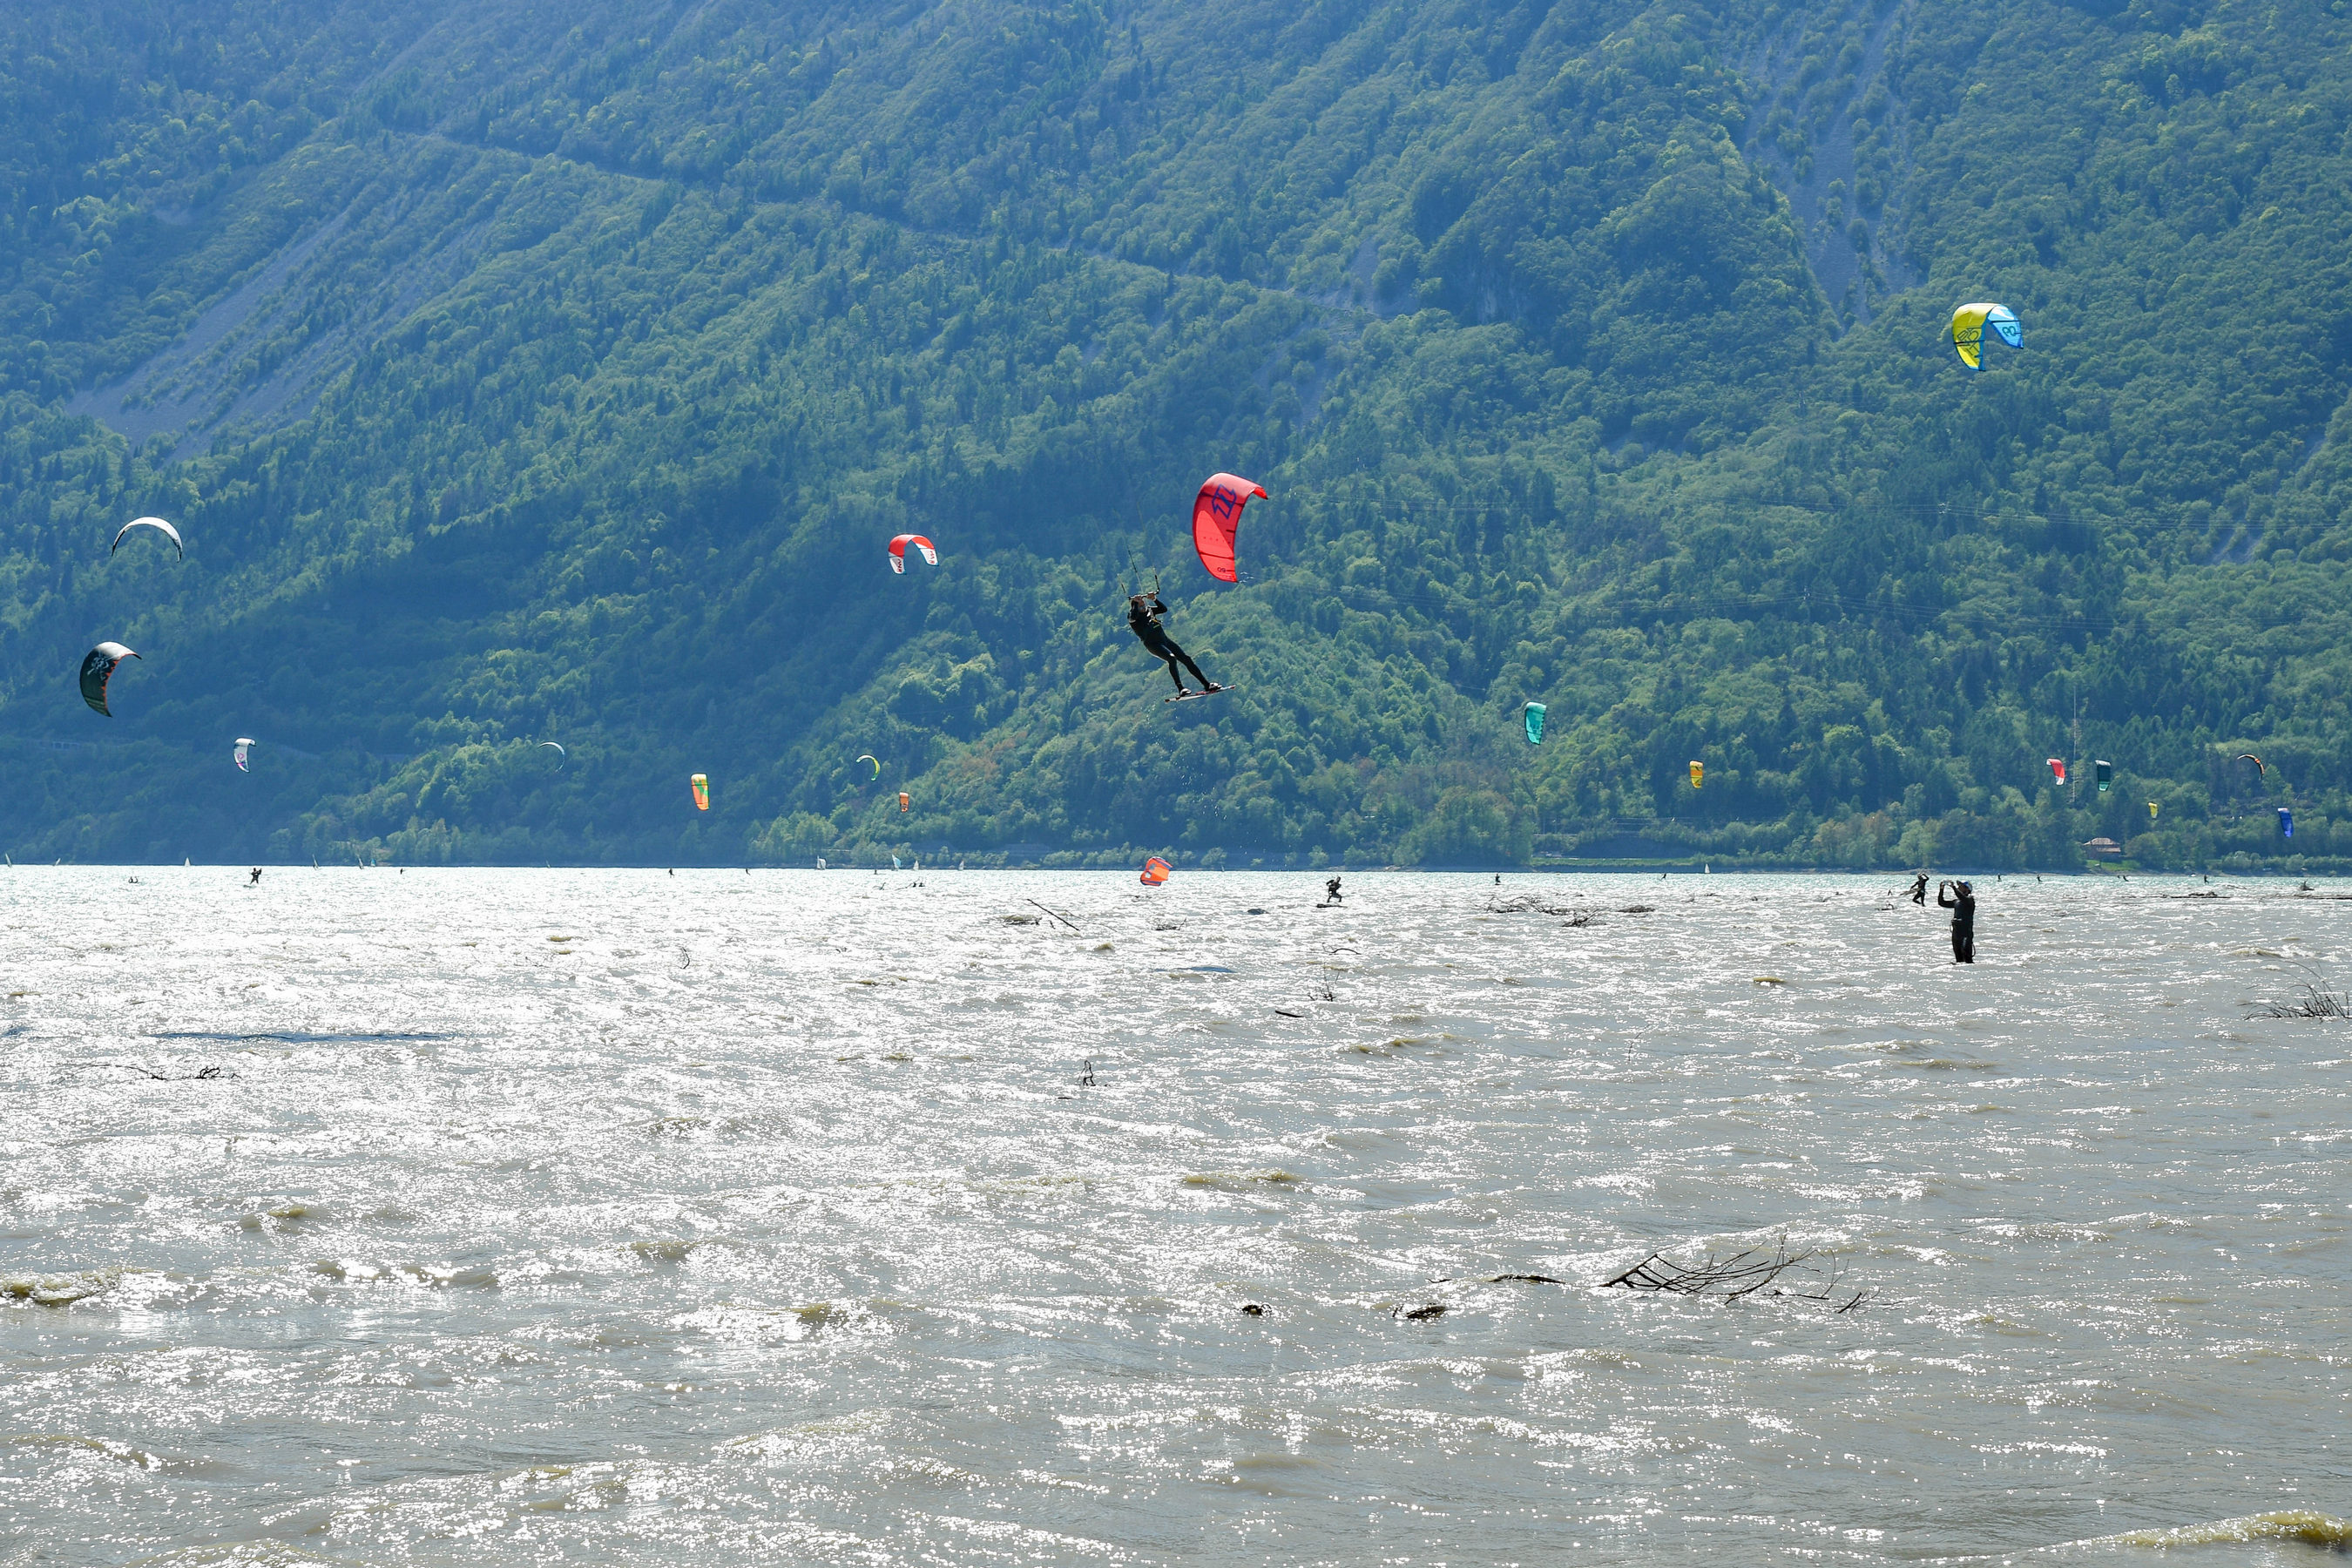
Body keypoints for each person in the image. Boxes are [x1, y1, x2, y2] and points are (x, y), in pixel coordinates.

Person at [1126, 592, 1220, 698]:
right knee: (1172, 659)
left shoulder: (1150, 611)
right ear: (1135, 608)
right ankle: (1181, 689)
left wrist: (1154, 599)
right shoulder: (1133, 616)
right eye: (1141, 606)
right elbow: (1132, 618)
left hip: (1165, 641)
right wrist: (1135, 603)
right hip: (1153, 645)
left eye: (1144, 605)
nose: (1144, 607)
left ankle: (1206, 684)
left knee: (1186, 659)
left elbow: (1163, 609)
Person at [1936, 879, 1976, 963]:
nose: (1958, 888)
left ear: (1967, 889)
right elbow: (1941, 903)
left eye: (1960, 886)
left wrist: (1953, 887)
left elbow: (1962, 897)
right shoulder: (1956, 902)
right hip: (1956, 932)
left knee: (1967, 958)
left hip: (1965, 933)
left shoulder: (1970, 900)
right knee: (1958, 958)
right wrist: (1941, 889)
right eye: (1958, 886)